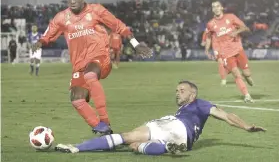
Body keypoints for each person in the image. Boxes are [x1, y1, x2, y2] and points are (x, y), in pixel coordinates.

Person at [32, 0, 152, 135]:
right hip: (79, 64)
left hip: (100, 57)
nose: (72, 1)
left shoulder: (96, 10)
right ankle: (103, 130)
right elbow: (49, 33)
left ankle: (105, 120)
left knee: (90, 74)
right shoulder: (62, 17)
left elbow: (118, 26)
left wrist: (135, 44)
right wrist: (40, 42)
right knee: (76, 99)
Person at [55, 80, 266, 155]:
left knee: (128, 136)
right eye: (176, 90)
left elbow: (226, 115)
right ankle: (166, 148)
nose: (177, 93)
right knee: (135, 146)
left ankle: (77, 148)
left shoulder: (200, 103)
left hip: (175, 126)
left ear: (192, 94)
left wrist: (246, 126)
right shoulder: (189, 108)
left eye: (182, 90)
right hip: (185, 140)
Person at [205, 0, 255, 103]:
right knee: (236, 74)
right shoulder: (210, 24)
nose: (216, 8)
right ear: (212, 10)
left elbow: (245, 28)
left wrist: (236, 32)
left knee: (247, 73)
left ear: (222, 8)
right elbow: (209, 37)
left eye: (218, 6)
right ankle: (247, 95)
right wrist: (206, 50)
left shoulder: (231, 17)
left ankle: (247, 76)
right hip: (226, 53)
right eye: (213, 7)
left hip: (238, 49)